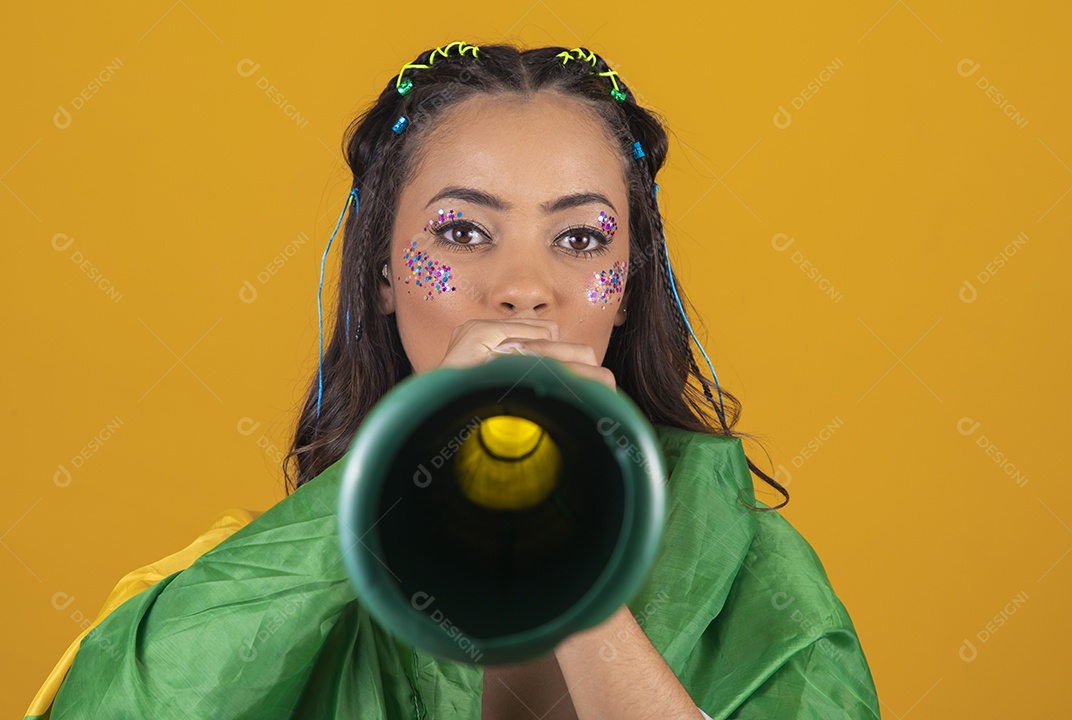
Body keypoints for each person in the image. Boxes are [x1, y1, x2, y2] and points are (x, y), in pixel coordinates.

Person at [27, 42, 880, 719]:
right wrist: (387, 484)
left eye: (580, 239)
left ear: (627, 289)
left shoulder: (759, 577)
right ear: (383, 275)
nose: (523, 288)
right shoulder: (252, 578)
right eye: (463, 233)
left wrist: (572, 553)